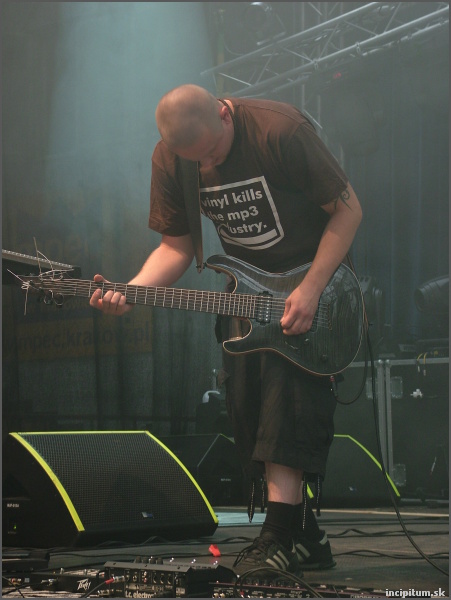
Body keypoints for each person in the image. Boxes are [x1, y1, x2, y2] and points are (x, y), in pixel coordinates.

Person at [89, 84, 362, 577]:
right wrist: (131, 291)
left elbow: (348, 210)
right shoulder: (171, 160)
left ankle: (277, 536)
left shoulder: (280, 130)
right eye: (197, 159)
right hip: (247, 296)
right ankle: (307, 537)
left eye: (213, 151)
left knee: (286, 407)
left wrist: (311, 289)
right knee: (250, 410)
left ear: (224, 113)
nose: (208, 163)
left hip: (315, 286)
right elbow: (176, 246)